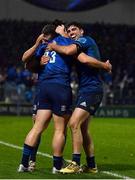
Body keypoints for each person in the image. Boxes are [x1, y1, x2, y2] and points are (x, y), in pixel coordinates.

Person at [46, 22, 112, 174]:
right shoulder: (77, 47)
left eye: (74, 29)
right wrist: (104, 65)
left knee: (73, 123)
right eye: (68, 31)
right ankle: (91, 165)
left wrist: (55, 45)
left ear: (81, 30)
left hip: (92, 90)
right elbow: (79, 56)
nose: (71, 32)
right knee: (83, 129)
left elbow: (83, 59)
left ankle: (75, 163)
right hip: (85, 90)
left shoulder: (85, 40)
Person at [18, 23, 74, 173]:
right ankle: (56, 166)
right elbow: (73, 49)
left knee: (37, 128)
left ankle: (24, 163)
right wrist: (64, 35)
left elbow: (27, 60)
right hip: (60, 86)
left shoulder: (44, 47)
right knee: (60, 129)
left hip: (43, 87)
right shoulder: (65, 41)